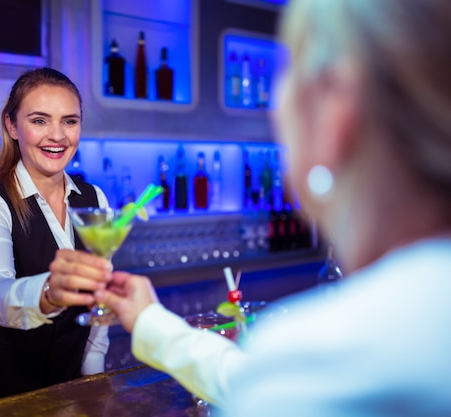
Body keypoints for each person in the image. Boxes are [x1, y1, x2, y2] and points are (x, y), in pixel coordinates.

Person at [95, 0, 451, 415]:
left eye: (289, 75)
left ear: (336, 111)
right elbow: (250, 378)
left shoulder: (317, 364)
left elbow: (282, 380)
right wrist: (151, 320)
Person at [0, 68, 113, 412]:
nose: (58, 136)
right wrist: (49, 293)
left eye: (69, 121)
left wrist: (93, 385)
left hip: (62, 398)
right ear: (12, 126)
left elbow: (97, 309)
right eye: (40, 120)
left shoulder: (95, 199)